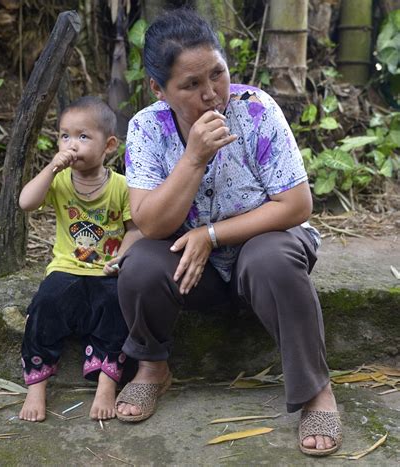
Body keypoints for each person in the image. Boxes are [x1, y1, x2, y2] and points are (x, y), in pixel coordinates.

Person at [115, 8, 342, 457]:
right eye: (191, 85)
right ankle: (152, 367)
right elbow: (150, 224)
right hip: (192, 272)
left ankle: (316, 390)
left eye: (217, 74)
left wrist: (212, 234)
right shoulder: (145, 128)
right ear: (158, 89)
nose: (211, 94)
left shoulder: (255, 110)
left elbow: (296, 205)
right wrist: (193, 158)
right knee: (139, 263)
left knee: (271, 258)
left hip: (262, 250)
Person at [18, 96, 140, 422]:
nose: (71, 144)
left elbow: (135, 229)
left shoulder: (121, 187)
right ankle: (38, 384)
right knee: (45, 304)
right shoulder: (58, 181)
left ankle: (106, 382)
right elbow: (26, 202)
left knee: (117, 307)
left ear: (109, 145)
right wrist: (51, 166)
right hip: (66, 268)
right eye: (64, 136)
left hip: (104, 271)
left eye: (83, 137)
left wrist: (121, 257)